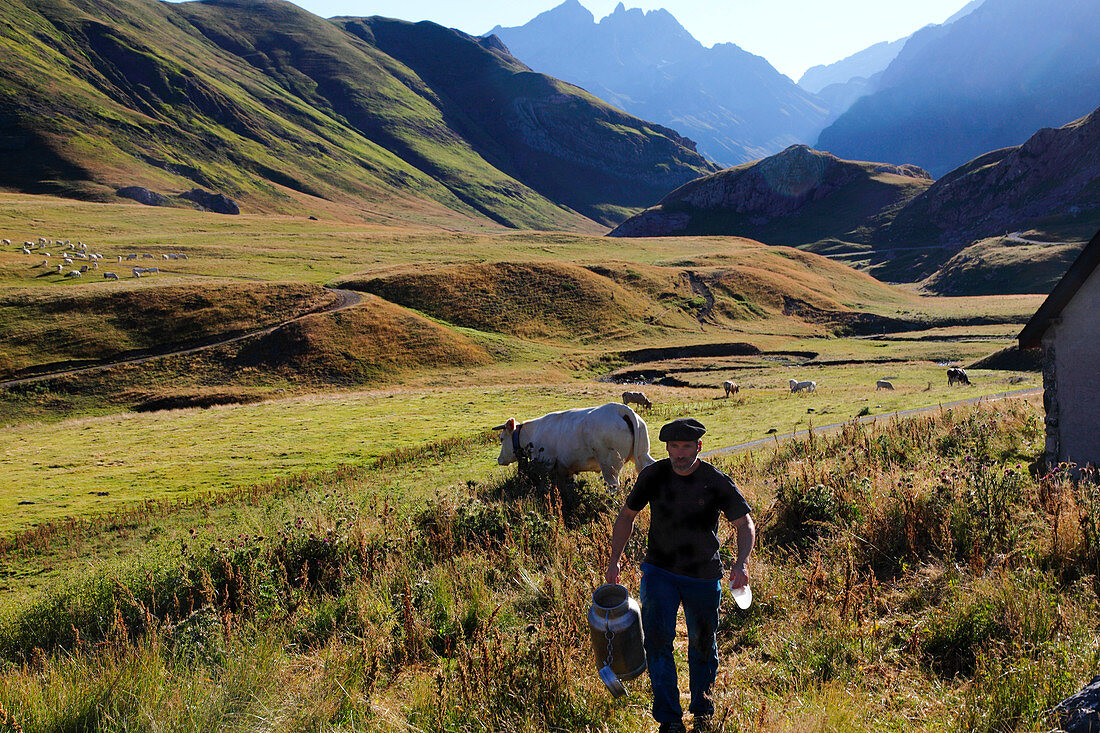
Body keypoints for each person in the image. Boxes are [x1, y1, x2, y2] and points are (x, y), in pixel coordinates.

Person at [605, 417, 755, 733]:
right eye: (674, 447)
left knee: (702, 643)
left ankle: (702, 711)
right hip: (659, 572)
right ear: (668, 448)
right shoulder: (653, 476)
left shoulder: (715, 481)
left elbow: (744, 525)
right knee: (658, 642)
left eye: (687, 447)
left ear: (698, 447)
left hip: (703, 576)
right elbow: (626, 516)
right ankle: (669, 719)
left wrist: (741, 564)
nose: (680, 454)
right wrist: (614, 561)